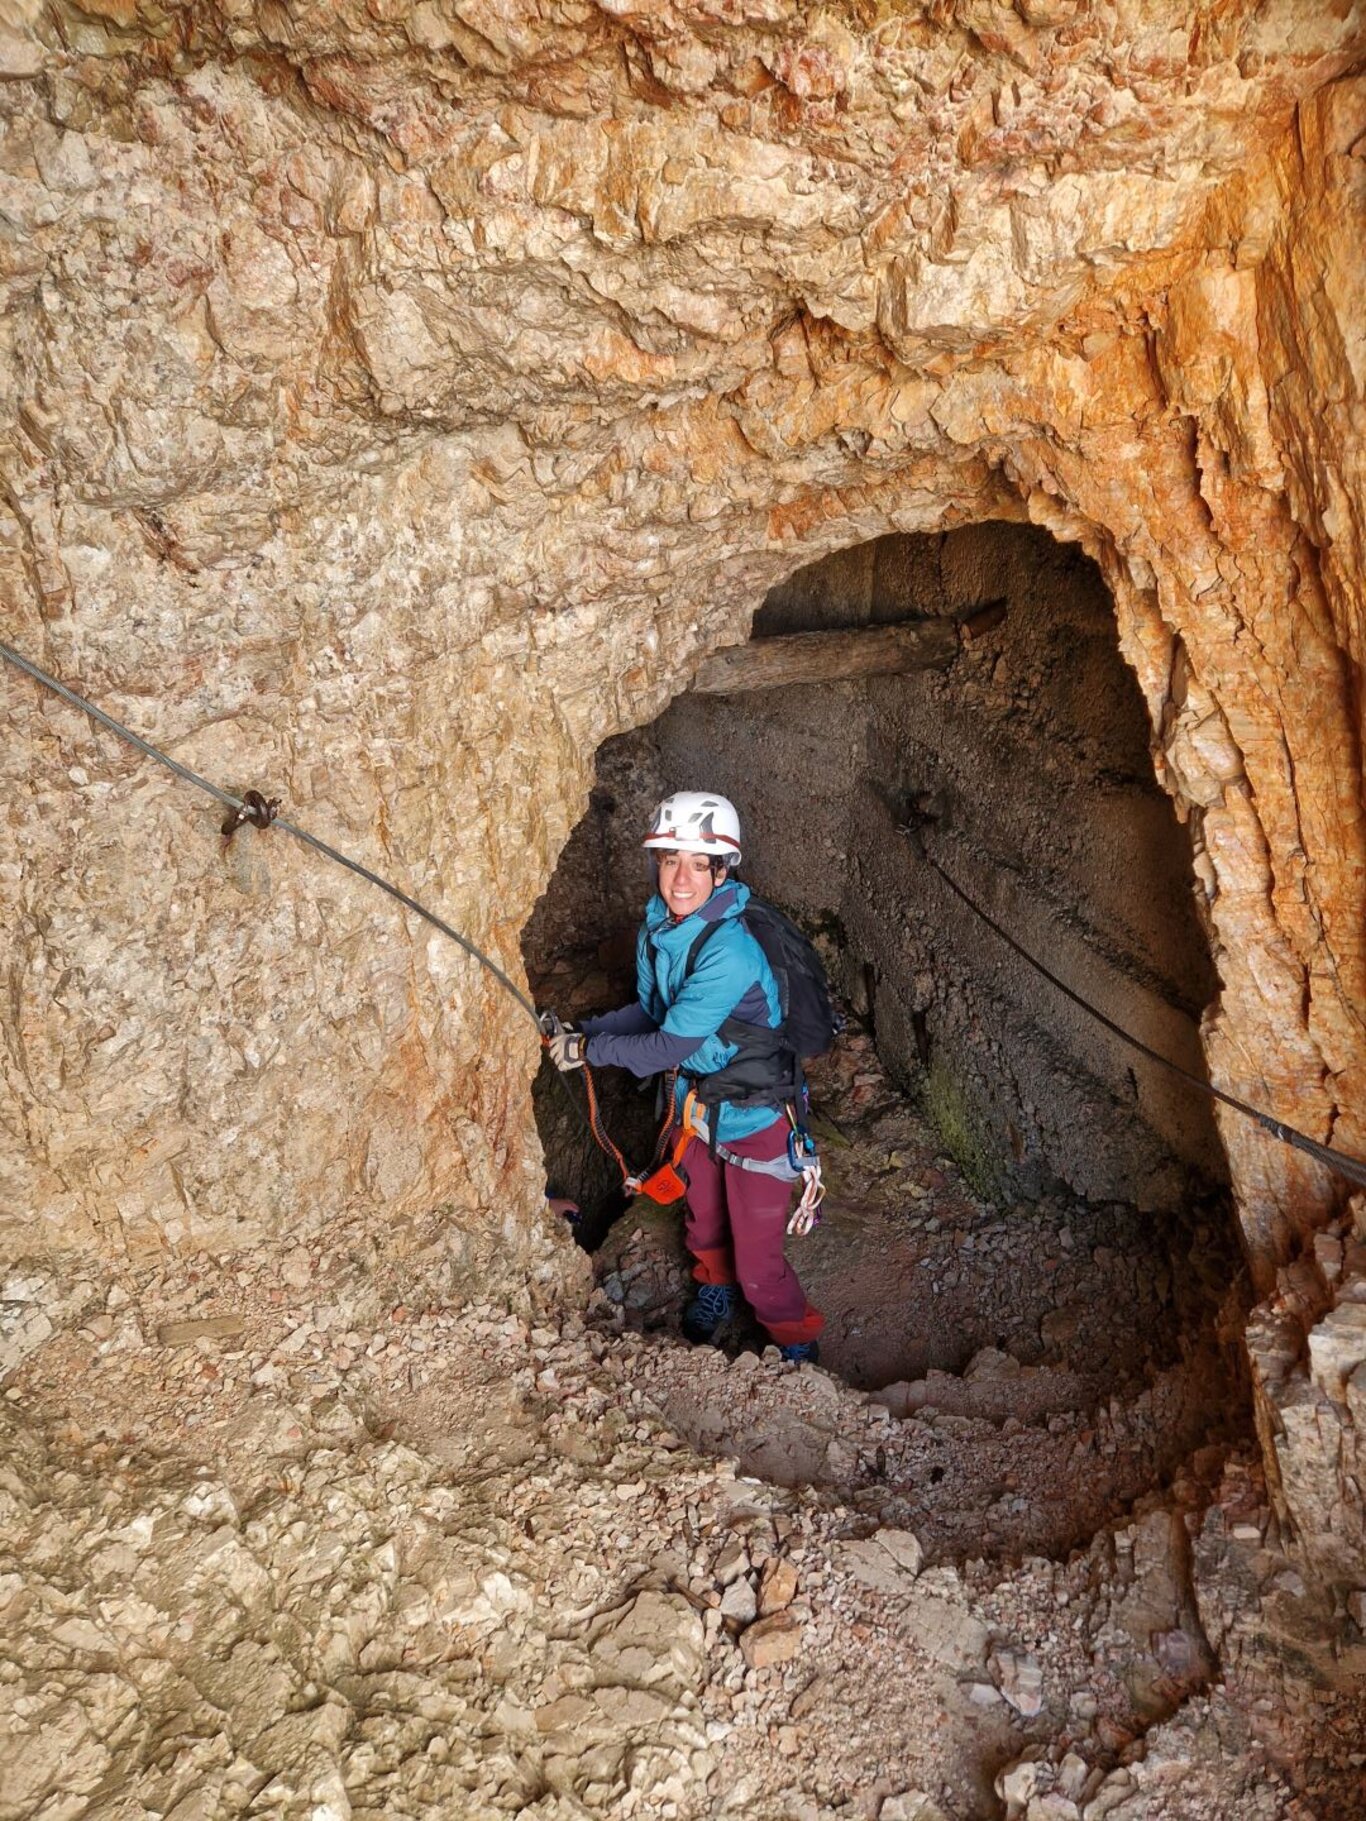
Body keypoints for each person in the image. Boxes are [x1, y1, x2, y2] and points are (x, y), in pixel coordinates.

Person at [545, 791, 824, 1364]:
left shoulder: (730, 952)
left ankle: (796, 1343)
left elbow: (668, 1045)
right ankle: (715, 1288)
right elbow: (653, 1012)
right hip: (698, 1110)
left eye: (699, 864)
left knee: (759, 1263)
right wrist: (584, 1032)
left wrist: (590, 1050)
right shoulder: (659, 928)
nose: (680, 879)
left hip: (756, 1117)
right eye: (670, 860)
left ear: (721, 872)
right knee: (703, 1220)